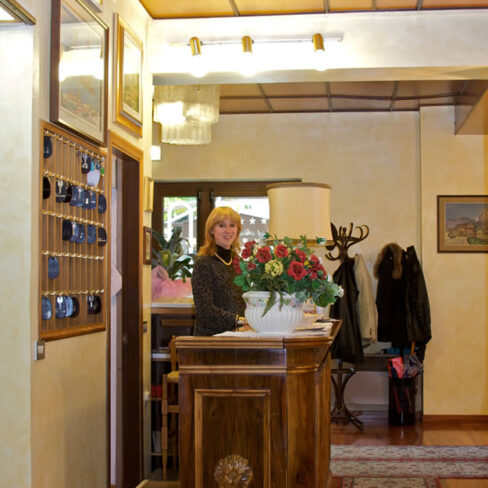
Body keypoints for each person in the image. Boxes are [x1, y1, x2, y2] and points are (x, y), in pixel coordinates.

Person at [191, 206, 247, 336]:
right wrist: (238, 321)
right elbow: (205, 311)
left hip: (239, 336)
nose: (228, 231)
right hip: (212, 340)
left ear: (238, 230)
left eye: (232, 225)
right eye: (221, 225)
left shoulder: (239, 262)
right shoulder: (203, 263)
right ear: (211, 230)